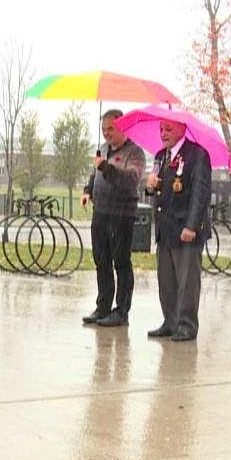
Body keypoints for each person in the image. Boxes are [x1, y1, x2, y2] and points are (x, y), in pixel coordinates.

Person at [145, 120, 211, 341]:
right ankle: (170, 321)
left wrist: (192, 226)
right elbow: (157, 191)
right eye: (161, 129)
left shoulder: (197, 155)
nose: (163, 133)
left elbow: (200, 193)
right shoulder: (160, 156)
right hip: (165, 228)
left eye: (168, 129)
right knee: (167, 280)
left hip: (186, 229)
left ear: (182, 129)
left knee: (187, 281)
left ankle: (187, 324)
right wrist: (150, 186)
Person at [80, 109, 146, 327]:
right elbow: (95, 174)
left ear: (122, 126)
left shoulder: (134, 153)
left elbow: (130, 181)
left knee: (121, 262)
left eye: (110, 128)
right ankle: (103, 306)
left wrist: (106, 168)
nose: (106, 133)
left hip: (121, 214)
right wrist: (88, 190)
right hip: (100, 212)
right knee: (102, 261)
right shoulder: (103, 149)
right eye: (103, 129)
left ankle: (121, 311)